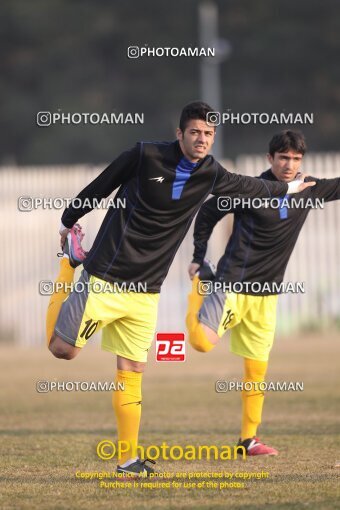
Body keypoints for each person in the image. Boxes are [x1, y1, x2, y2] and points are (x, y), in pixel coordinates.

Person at [46, 104, 313, 477]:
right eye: (195, 132)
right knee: (63, 351)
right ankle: (67, 266)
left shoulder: (211, 173)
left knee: (132, 370)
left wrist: (287, 186)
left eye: (208, 134)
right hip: (106, 275)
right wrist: (68, 220)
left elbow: (251, 184)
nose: (202, 139)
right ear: (180, 133)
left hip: (147, 291)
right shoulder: (144, 154)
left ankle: (126, 461)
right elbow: (100, 186)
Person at [186, 130, 340, 456]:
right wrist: (199, 258)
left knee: (256, 371)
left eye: (296, 158)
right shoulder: (251, 189)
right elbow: (208, 211)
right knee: (200, 342)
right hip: (231, 286)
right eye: (283, 157)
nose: (289, 164)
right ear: (270, 158)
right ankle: (199, 287)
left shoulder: (308, 189)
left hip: (267, 297)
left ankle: (248, 440)